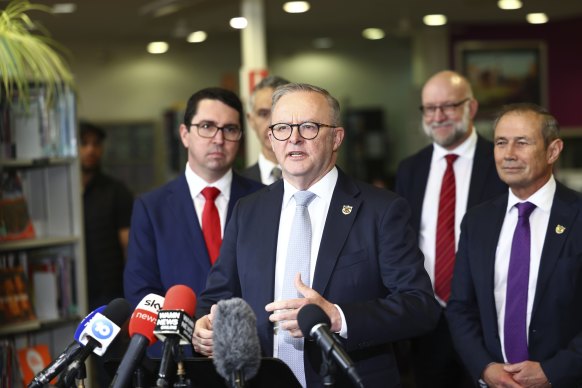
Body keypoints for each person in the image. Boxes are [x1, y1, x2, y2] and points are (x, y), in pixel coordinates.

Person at [193, 83, 441, 387]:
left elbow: (419, 307)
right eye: (282, 128)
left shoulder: (382, 210)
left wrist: (337, 317)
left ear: (336, 137)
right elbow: (217, 297)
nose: (294, 138)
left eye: (308, 127)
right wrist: (204, 326)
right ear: (270, 137)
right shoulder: (248, 211)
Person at [446, 103, 582, 387]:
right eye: (500, 143)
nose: (508, 154)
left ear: (553, 150)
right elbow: (460, 307)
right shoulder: (477, 221)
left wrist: (553, 371)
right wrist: (484, 368)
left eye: (522, 143)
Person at [394, 70, 507, 387]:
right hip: (427, 318)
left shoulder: (500, 161)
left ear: (470, 108)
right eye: (430, 108)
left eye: (448, 106)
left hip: (486, 315)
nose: (438, 116)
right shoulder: (410, 169)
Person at [123, 87, 264, 308]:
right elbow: (141, 292)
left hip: (250, 338)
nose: (219, 139)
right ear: (184, 134)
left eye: (230, 129)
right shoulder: (151, 208)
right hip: (177, 340)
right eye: (207, 126)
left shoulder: (264, 200)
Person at [80, 121, 134, 311]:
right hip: (72, 290)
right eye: (84, 143)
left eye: (96, 144)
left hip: (109, 292)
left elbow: (128, 245)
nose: (90, 150)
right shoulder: (63, 194)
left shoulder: (116, 191)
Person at [241, 75, 290, 184]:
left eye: (281, 113)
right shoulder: (236, 186)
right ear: (251, 121)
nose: (272, 123)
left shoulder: (317, 179)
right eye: (263, 114)